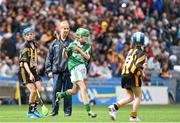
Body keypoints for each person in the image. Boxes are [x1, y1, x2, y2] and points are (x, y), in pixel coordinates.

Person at [56, 28, 97, 118]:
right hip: (74, 68)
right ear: (79, 37)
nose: (86, 38)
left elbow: (87, 57)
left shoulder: (88, 46)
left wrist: (78, 50)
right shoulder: (72, 45)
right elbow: (65, 57)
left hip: (82, 68)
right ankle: (89, 111)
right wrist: (64, 51)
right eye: (84, 36)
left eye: (87, 36)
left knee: (74, 91)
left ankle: (60, 95)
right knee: (83, 87)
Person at [108, 32, 146, 121]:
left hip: (124, 74)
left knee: (130, 97)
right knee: (138, 96)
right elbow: (135, 67)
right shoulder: (141, 53)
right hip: (132, 75)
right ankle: (133, 116)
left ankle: (114, 107)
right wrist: (142, 74)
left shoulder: (130, 51)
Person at [45, 21, 73, 117]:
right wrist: (49, 70)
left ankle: (67, 112)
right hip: (56, 72)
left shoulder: (72, 43)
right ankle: (54, 111)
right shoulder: (54, 43)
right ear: (60, 29)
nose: (66, 30)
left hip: (68, 72)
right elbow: (49, 57)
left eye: (67, 28)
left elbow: (76, 57)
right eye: (64, 28)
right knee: (55, 92)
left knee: (67, 92)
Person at [18, 27, 42, 118]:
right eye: (27, 35)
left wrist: (35, 67)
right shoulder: (24, 47)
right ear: (24, 37)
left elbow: (33, 59)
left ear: (34, 35)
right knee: (33, 91)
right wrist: (30, 74)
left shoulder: (35, 45)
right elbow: (24, 63)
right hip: (25, 71)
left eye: (31, 34)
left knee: (39, 90)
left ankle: (34, 109)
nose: (29, 36)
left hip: (33, 70)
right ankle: (30, 112)